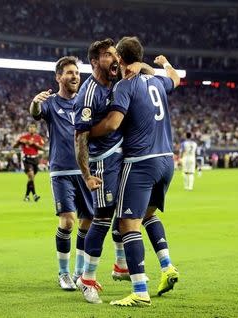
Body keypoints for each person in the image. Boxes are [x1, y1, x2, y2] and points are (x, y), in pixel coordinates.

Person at [89, 36, 180, 307]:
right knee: (148, 216)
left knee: (127, 224)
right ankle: (167, 266)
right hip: (167, 160)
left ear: (119, 57)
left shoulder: (126, 86)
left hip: (141, 162)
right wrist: (164, 63)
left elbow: (113, 123)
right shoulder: (158, 82)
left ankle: (140, 290)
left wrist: (85, 132)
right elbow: (175, 79)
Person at [74, 38, 158, 304]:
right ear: (94, 61)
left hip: (123, 156)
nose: (114, 59)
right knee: (102, 218)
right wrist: (87, 175)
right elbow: (80, 138)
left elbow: (150, 72)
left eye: (115, 54)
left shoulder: (117, 79)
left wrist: (139, 65)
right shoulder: (88, 93)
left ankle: (121, 266)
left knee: (124, 214)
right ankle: (86, 279)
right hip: (102, 162)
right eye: (107, 55)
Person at [30, 56, 94, 291]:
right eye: (69, 72)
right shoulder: (50, 102)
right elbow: (36, 112)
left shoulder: (85, 103)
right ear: (58, 77)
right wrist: (36, 102)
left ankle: (79, 271)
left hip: (85, 170)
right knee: (67, 222)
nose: (74, 76)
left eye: (76, 72)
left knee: (88, 221)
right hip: (61, 170)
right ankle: (63, 273)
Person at [13, 123, 45, 202]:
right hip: (27, 159)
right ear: (28, 128)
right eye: (30, 127)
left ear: (35, 129)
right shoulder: (24, 137)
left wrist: (34, 144)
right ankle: (34, 195)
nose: (31, 129)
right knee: (31, 176)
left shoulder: (38, 138)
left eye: (33, 127)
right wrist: (19, 142)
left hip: (35, 159)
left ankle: (27, 196)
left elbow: (42, 148)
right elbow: (14, 146)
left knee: (31, 178)